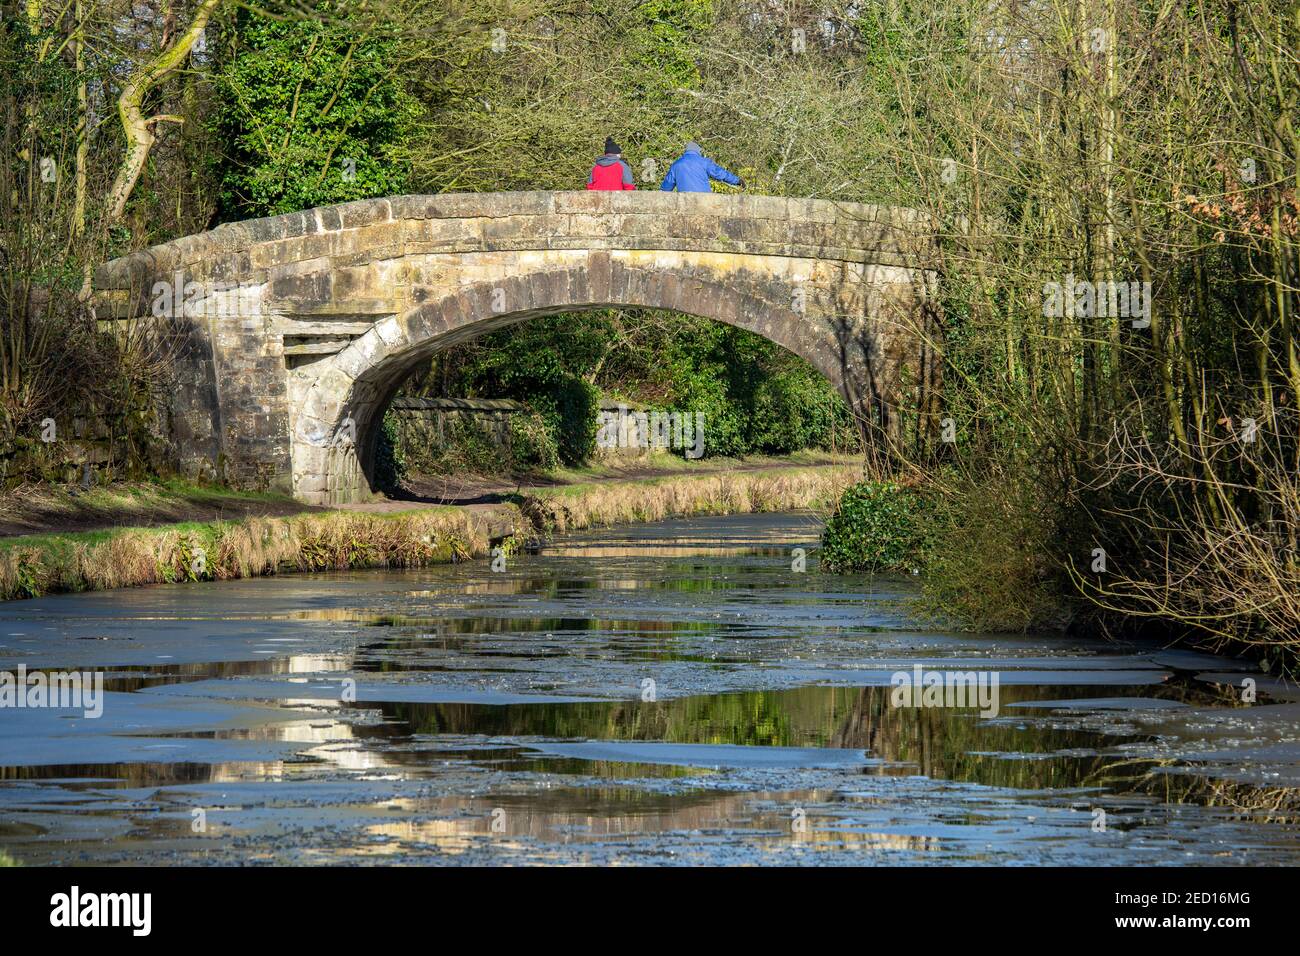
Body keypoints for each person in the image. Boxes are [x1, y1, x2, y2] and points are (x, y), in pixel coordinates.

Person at [658, 141, 744, 193]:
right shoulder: (704, 162)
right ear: (698, 151)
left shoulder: (676, 164)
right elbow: (720, 174)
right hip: (704, 199)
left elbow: (667, 186)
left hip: (685, 201)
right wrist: (737, 181)